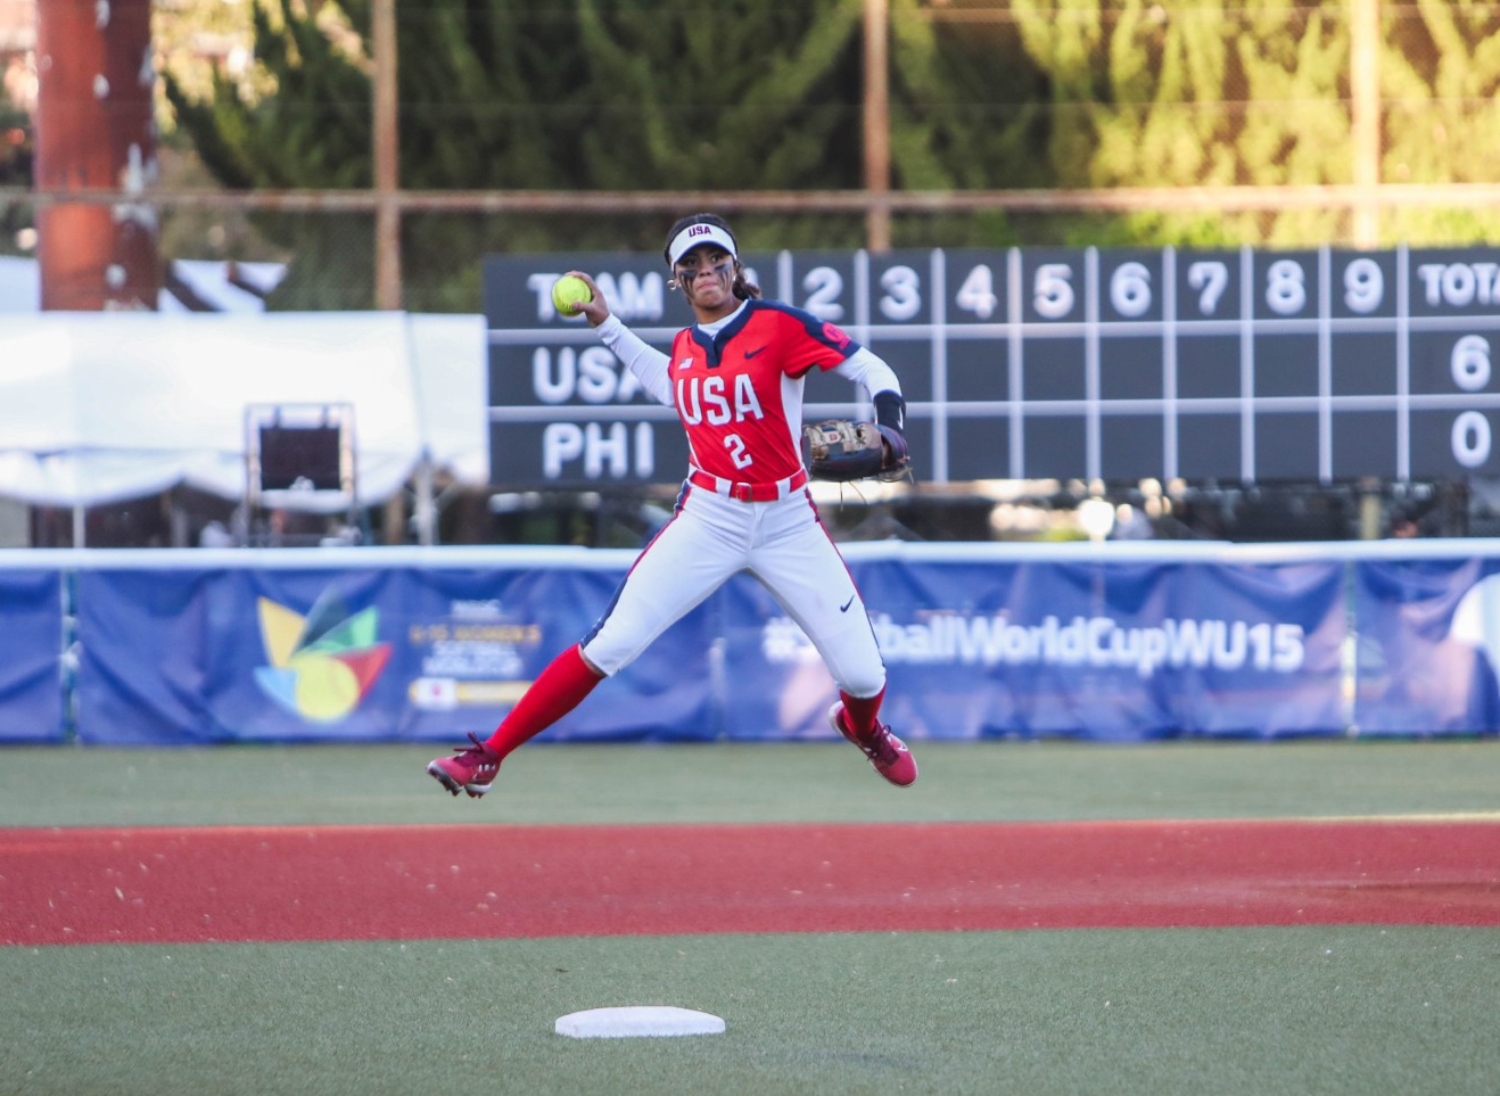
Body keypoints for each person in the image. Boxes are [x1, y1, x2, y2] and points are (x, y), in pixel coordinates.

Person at [427, 213, 916, 797]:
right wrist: (606, 324)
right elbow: (667, 382)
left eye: (716, 260)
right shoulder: (685, 347)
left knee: (863, 675)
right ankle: (489, 755)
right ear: (677, 282)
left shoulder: (778, 326)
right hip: (710, 516)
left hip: (787, 520)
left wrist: (890, 429)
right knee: (610, 643)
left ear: (736, 269)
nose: (705, 270)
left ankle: (863, 730)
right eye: (691, 265)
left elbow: (870, 366)